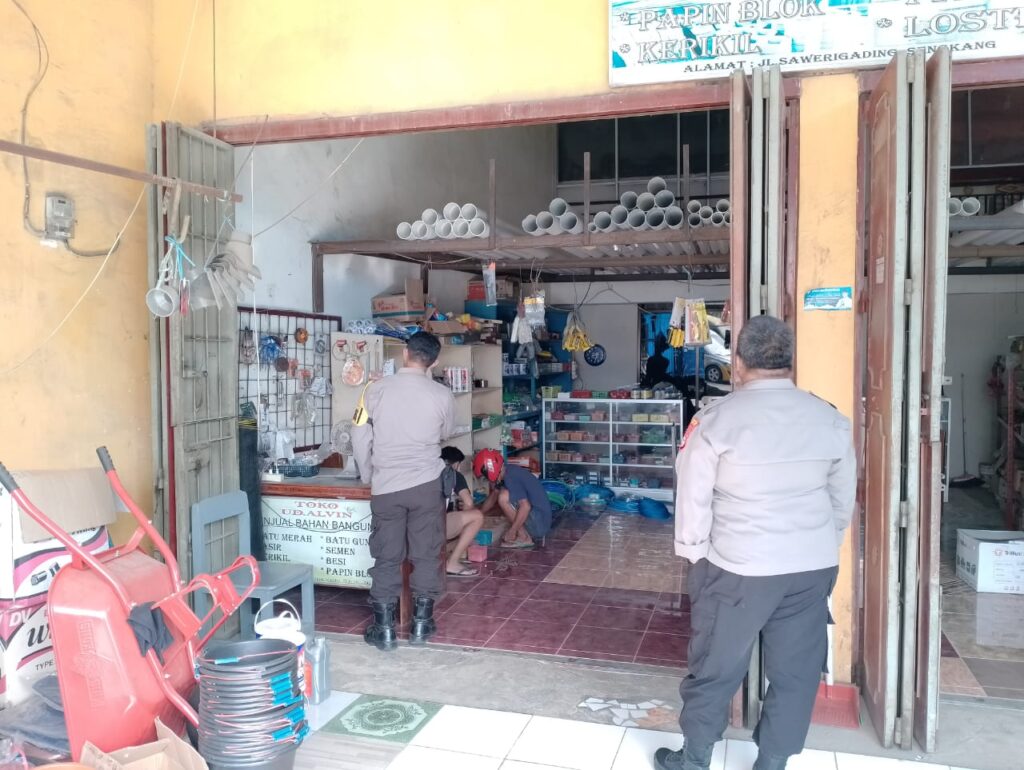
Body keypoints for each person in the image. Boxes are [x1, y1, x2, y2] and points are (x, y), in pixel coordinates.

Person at [655, 315, 856, 770]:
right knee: (797, 671)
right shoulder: (828, 418)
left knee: (715, 665)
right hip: (810, 568)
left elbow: (692, 498)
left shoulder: (715, 421)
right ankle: (772, 762)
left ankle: (694, 760)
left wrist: (695, 556)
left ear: (738, 362)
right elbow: (842, 497)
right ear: (790, 361)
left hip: (736, 568)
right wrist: (823, 543)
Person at [351, 331, 455, 651]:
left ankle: (383, 629)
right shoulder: (443, 395)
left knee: (386, 556)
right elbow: (446, 433)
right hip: (426, 485)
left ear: (405, 353)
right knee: (425, 554)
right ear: (434, 362)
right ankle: (421, 625)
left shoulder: (374, 390)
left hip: (386, 487)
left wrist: (368, 474)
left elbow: (359, 434)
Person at [473, 449, 551, 549]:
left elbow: (525, 506)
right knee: (502, 494)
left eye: (485, 477)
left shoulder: (510, 477)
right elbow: (493, 496)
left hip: (539, 524)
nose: (487, 480)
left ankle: (524, 537)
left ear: (490, 471)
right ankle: (522, 533)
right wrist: (479, 513)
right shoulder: (507, 471)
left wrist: (512, 531)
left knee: (503, 497)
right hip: (541, 520)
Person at [440, 446, 484, 577]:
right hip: (433, 527)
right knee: (477, 516)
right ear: (455, 463)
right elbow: (468, 503)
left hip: (412, 526)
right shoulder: (454, 474)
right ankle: (452, 563)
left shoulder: (427, 472)